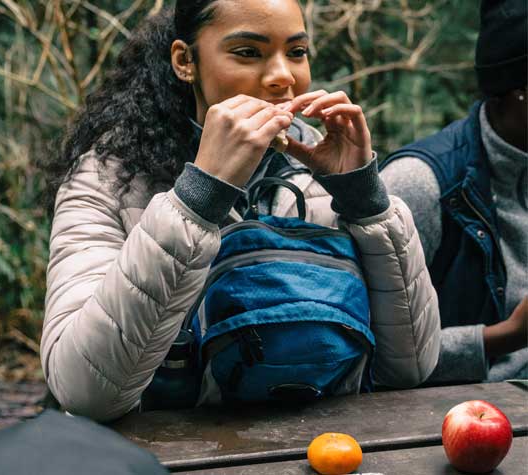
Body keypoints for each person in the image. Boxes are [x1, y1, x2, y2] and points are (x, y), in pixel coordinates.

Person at [40, 0, 440, 422]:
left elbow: (410, 368)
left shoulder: (322, 167)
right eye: (248, 52)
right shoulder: (108, 179)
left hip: (316, 450)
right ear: (185, 60)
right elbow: (82, 391)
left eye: (297, 52)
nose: (283, 76)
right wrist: (199, 196)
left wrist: (364, 198)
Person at [381, 0, 527, 384]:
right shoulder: (419, 185)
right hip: (463, 421)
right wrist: (507, 336)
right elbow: (372, 358)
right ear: (512, 91)